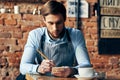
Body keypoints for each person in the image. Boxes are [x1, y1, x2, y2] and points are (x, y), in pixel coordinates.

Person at [19, 0, 92, 78]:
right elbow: (23, 67)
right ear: (44, 20)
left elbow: (86, 66)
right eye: (50, 23)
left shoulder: (76, 35)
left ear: (64, 19)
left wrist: (72, 70)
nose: (55, 28)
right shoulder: (35, 35)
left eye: (58, 23)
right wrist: (38, 68)